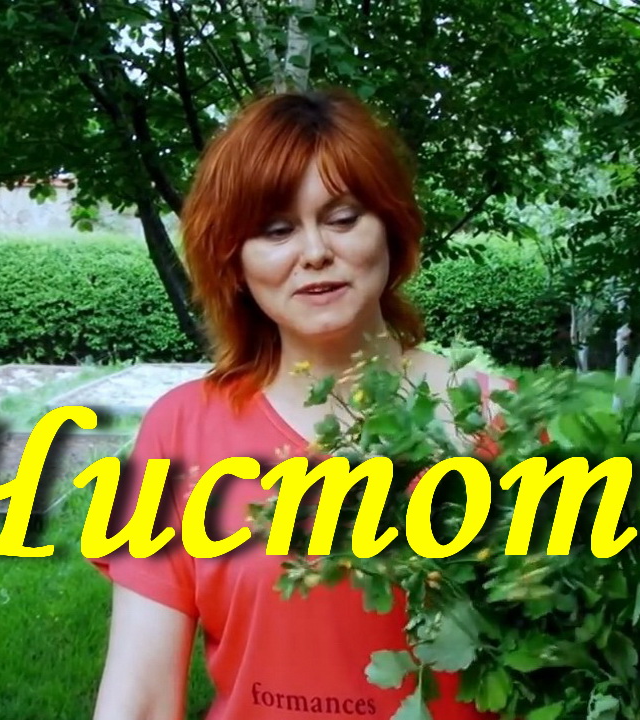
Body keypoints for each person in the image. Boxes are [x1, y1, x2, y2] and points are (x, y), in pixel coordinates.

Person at [88, 87, 510, 720]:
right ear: (235, 260)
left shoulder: (495, 418)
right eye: (277, 230)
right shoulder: (182, 430)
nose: (315, 252)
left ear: (390, 228)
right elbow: (140, 699)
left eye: (343, 218)